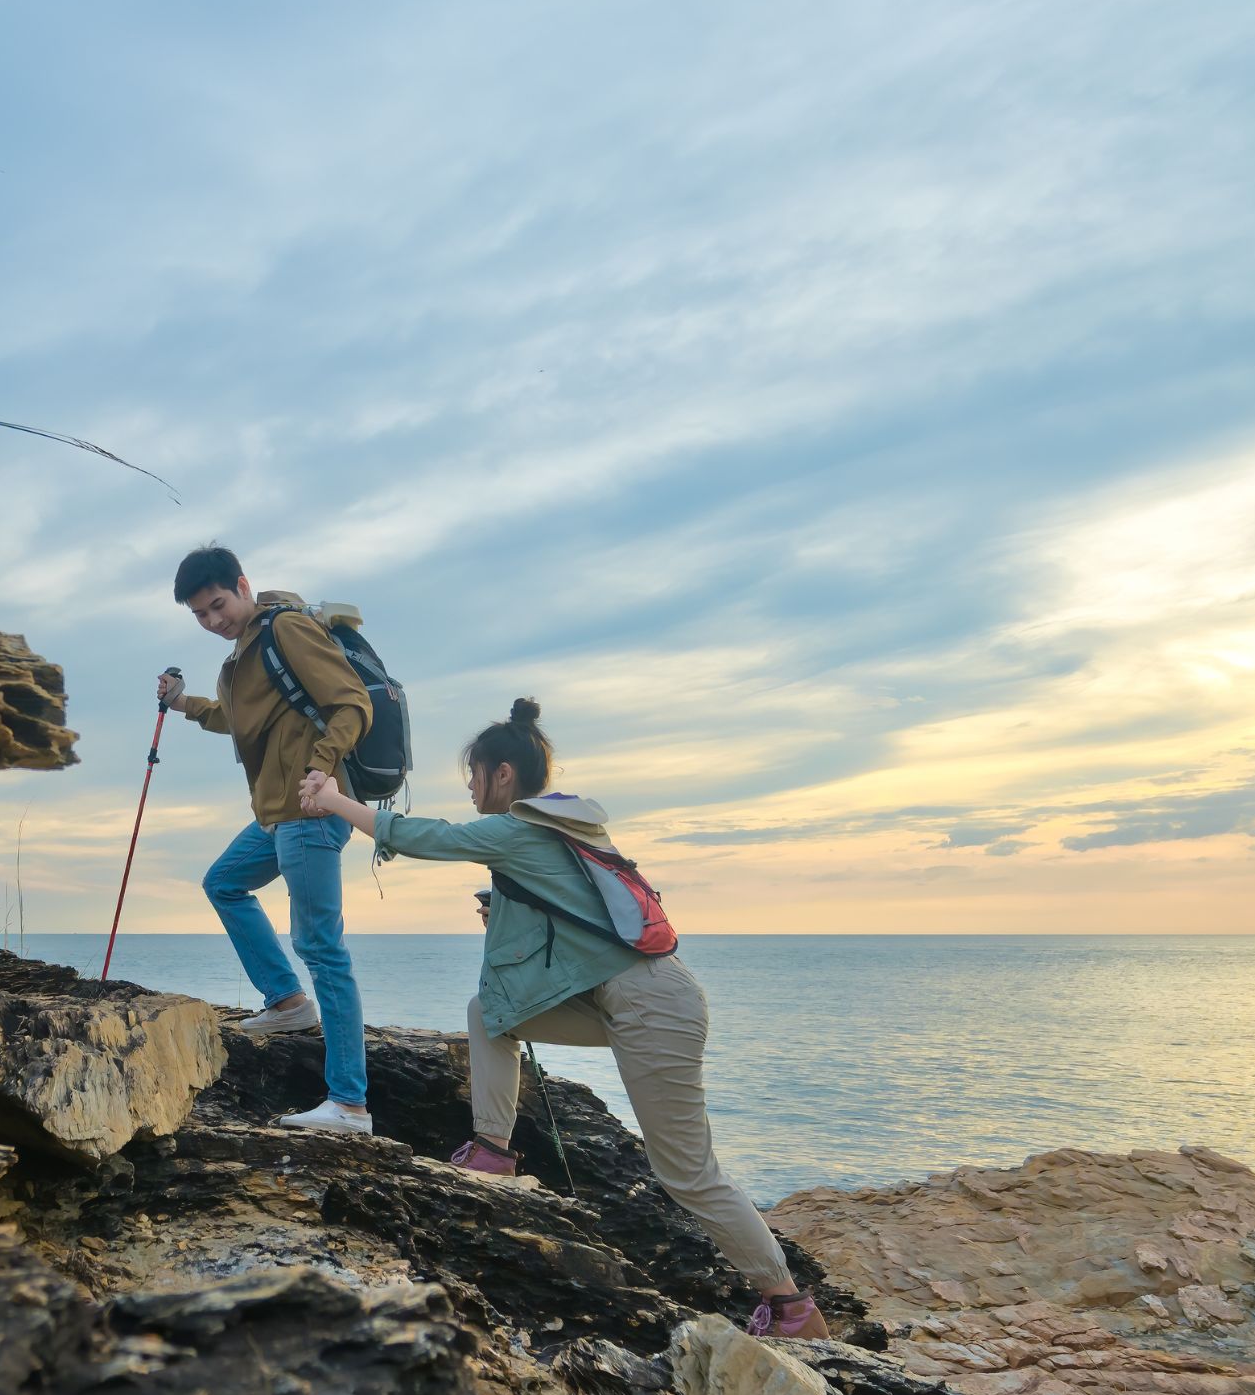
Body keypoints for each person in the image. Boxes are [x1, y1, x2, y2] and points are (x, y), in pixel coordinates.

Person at [296, 699, 830, 1336]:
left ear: (503, 774)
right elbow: (571, 947)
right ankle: (493, 1150)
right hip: (626, 1001)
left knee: (687, 1172)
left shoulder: (522, 830)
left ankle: (791, 1305)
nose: (469, 786)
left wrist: (333, 798)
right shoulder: (563, 833)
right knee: (489, 1014)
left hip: (652, 1006)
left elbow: (425, 837)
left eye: (474, 773)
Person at [157, 543, 371, 1132]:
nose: (212, 620)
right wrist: (181, 705)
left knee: (322, 948)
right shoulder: (245, 655)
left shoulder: (287, 631)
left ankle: (349, 1103)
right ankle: (288, 1004)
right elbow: (236, 717)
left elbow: (351, 704)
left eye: (218, 605)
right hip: (279, 813)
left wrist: (322, 767)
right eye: (200, 614)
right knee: (224, 882)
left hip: (310, 810)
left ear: (243, 586)